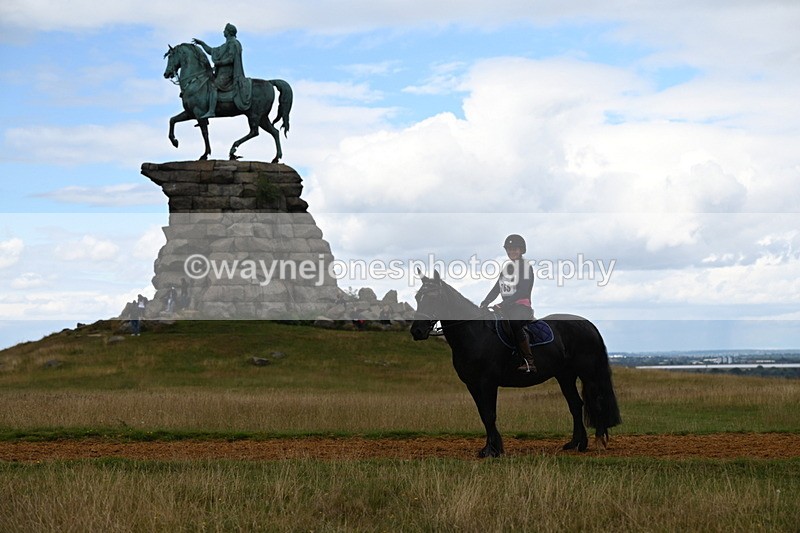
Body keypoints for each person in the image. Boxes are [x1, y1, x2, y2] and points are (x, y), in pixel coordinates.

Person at [480, 234, 537, 373]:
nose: (512, 252)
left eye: (515, 249)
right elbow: (496, 289)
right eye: (510, 249)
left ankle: (529, 361)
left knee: (514, 323)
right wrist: (485, 302)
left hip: (522, 307)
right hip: (507, 308)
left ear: (521, 250)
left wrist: (504, 304)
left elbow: (523, 291)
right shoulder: (506, 270)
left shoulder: (525, 267)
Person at [192, 23, 252, 119]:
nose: (223, 31)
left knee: (213, 86)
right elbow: (211, 51)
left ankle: (211, 111)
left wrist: (219, 63)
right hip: (221, 73)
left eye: (225, 30)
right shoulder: (226, 45)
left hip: (228, 74)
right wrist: (202, 44)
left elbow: (231, 59)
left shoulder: (233, 43)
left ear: (228, 32)